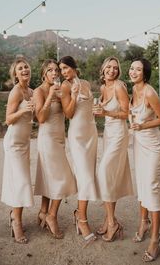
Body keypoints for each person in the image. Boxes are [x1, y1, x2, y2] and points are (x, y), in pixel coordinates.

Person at [129, 58, 160, 262]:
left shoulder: (149, 92)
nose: (133, 72)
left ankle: (155, 238)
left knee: (152, 187)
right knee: (142, 184)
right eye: (132, 68)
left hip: (152, 146)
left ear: (145, 74)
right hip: (138, 146)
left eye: (138, 69)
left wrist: (142, 126)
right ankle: (144, 222)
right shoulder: (132, 91)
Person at [34, 59, 77, 239]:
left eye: (56, 71)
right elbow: (41, 118)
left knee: (49, 177)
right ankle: (52, 216)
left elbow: (68, 114)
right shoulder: (39, 91)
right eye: (50, 70)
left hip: (60, 138)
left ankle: (43, 212)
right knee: (62, 177)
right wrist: (51, 96)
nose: (54, 73)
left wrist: (70, 96)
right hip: (47, 139)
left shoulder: (60, 89)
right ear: (44, 73)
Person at [93, 56, 133, 241]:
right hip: (108, 134)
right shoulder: (103, 88)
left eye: (115, 68)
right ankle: (109, 219)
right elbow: (101, 110)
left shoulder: (119, 87)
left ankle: (112, 223)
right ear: (103, 69)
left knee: (103, 173)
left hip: (119, 134)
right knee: (111, 177)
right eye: (109, 67)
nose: (112, 70)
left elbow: (126, 113)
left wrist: (106, 112)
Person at [58, 56, 98, 244]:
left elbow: (90, 108)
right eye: (61, 70)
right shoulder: (65, 87)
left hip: (91, 133)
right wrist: (73, 96)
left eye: (66, 68)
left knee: (89, 175)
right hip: (77, 137)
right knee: (86, 178)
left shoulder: (86, 83)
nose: (64, 72)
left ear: (74, 67)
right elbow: (68, 113)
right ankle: (81, 219)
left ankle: (79, 213)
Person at [1, 57, 34, 244]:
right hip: (14, 142)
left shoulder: (30, 91)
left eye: (26, 67)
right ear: (15, 73)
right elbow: (8, 119)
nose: (24, 70)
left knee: (20, 181)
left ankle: (15, 215)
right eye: (20, 68)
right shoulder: (15, 92)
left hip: (25, 142)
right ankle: (16, 220)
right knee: (21, 182)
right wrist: (22, 111)